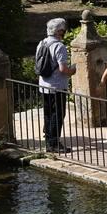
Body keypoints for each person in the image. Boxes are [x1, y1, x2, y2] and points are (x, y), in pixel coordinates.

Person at [35, 18, 77, 152]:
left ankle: (48, 140)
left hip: (43, 84)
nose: (64, 32)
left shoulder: (42, 43)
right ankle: (54, 144)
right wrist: (73, 70)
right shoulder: (59, 46)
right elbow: (63, 69)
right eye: (63, 30)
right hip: (57, 86)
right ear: (59, 31)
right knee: (58, 114)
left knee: (48, 113)